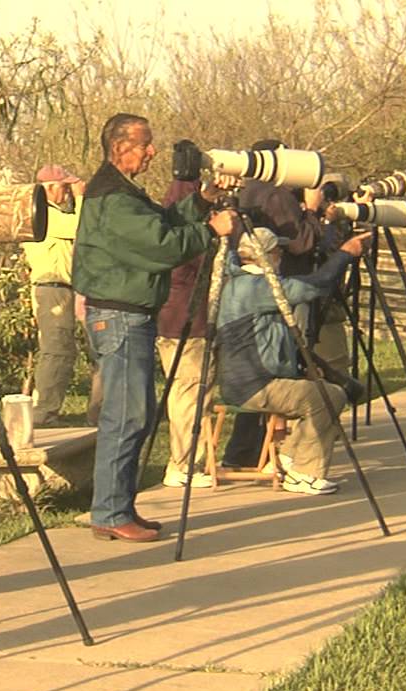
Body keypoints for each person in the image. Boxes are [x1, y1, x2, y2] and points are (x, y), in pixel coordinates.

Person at [72, 113, 237, 542]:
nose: (153, 151)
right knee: (127, 415)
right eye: (145, 144)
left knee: (135, 414)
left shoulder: (123, 193)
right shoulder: (112, 199)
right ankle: (109, 512)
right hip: (121, 317)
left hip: (130, 315)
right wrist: (210, 230)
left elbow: (161, 223)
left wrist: (201, 201)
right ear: (118, 147)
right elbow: (161, 246)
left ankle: (118, 506)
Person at [214, 227, 369, 495]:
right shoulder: (253, 287)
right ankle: (301, 471)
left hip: (254, 379)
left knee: (325, 391)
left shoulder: (242, 283)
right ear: (266, 255)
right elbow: (312, 287)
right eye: (278, 251)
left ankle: (288, 457)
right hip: (253, 385)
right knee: (327, 397)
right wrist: (345, 255)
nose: (282, 256)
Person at [222, 138, 331, 470]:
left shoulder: (250, 191)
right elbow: (299, 243)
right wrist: (311, 210)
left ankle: (250, 452)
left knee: (264, 368)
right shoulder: (275, 193)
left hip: (257, 285)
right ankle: (280, 455)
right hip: (283, 286)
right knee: (284, 368)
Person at [154, 177, 215, 489]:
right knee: (189, 391)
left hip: (173, 317)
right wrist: (212, 231)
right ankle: (181, 462)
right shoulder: (182, 215)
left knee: (188, 390)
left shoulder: (169, 209)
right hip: (185, 319)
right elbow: (185, 260)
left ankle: (187, 460)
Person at [22, 164, 86, 426]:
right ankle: (43, 414)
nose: (68, 193)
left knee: (62, 351)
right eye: (65, 187)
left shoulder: (54, 213)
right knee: (55, 351)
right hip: (52, 290)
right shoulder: (44, 215)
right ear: (51, 189)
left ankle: (48, 411)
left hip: (61, 289)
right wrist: (82, 198)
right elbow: (80, 228)